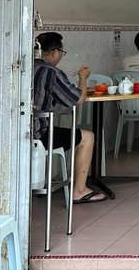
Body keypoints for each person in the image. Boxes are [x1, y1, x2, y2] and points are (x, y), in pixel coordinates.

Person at [33, 32, 107, 204]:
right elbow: (77, 99)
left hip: (17, 133)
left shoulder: (25, 67)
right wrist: (83, 78)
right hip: (38, 134)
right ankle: (79, 191)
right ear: (54, 52)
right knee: (87, 137)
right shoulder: (51, 71)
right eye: (61, 52)